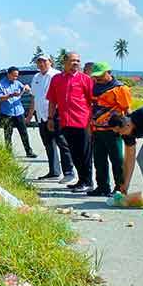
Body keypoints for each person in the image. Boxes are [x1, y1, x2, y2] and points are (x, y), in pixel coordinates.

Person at [47, 52, 94, 192]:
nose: (76, 63)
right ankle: (81, 180)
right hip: (66, 122)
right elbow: (52, 100)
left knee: (85, 154)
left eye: (78, 61)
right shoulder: (57, 79)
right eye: (73, 60)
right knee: (74, 153)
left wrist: (92, 121)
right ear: (65, 63)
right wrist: (50, 118)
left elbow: (92, 101)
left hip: (83, 122)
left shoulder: (85, 79)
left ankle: (88, 182)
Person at [86, 62, 130, 196]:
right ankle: (102, 187)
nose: (97, 78)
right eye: (95, 76)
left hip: (113, 131)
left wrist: (129, 130)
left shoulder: (120, 88)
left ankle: (120, 187)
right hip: (97, 130)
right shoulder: (94, 87)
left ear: (109, 72)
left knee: (117, 161)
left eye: (100, 75)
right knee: (99, 161)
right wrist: (89, 127)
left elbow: (127, 110)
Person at [29, 55, 74, 181]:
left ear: (50, 62)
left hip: (56, 114)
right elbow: (34, 97)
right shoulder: (36, 77)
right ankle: (54, 171)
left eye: (44, 61)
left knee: (62, 143)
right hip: (41, 116)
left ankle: (69, 172)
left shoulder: (56, 75)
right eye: (39, 62)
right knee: (48, 144)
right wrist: (29, 115)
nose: (41, 64)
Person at [0, 66, 35, 157]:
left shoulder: (17, 83)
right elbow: (0, 98)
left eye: (17, 76)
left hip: (19, 112)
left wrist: (27, 87)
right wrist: (10, 95)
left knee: (24, 132)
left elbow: (27, 89)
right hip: (7, 112)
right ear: (8, 74)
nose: (15, 78)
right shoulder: (1, 84)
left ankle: (28, 151)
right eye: (14, 76)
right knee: (8, 134)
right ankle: (8, 153)